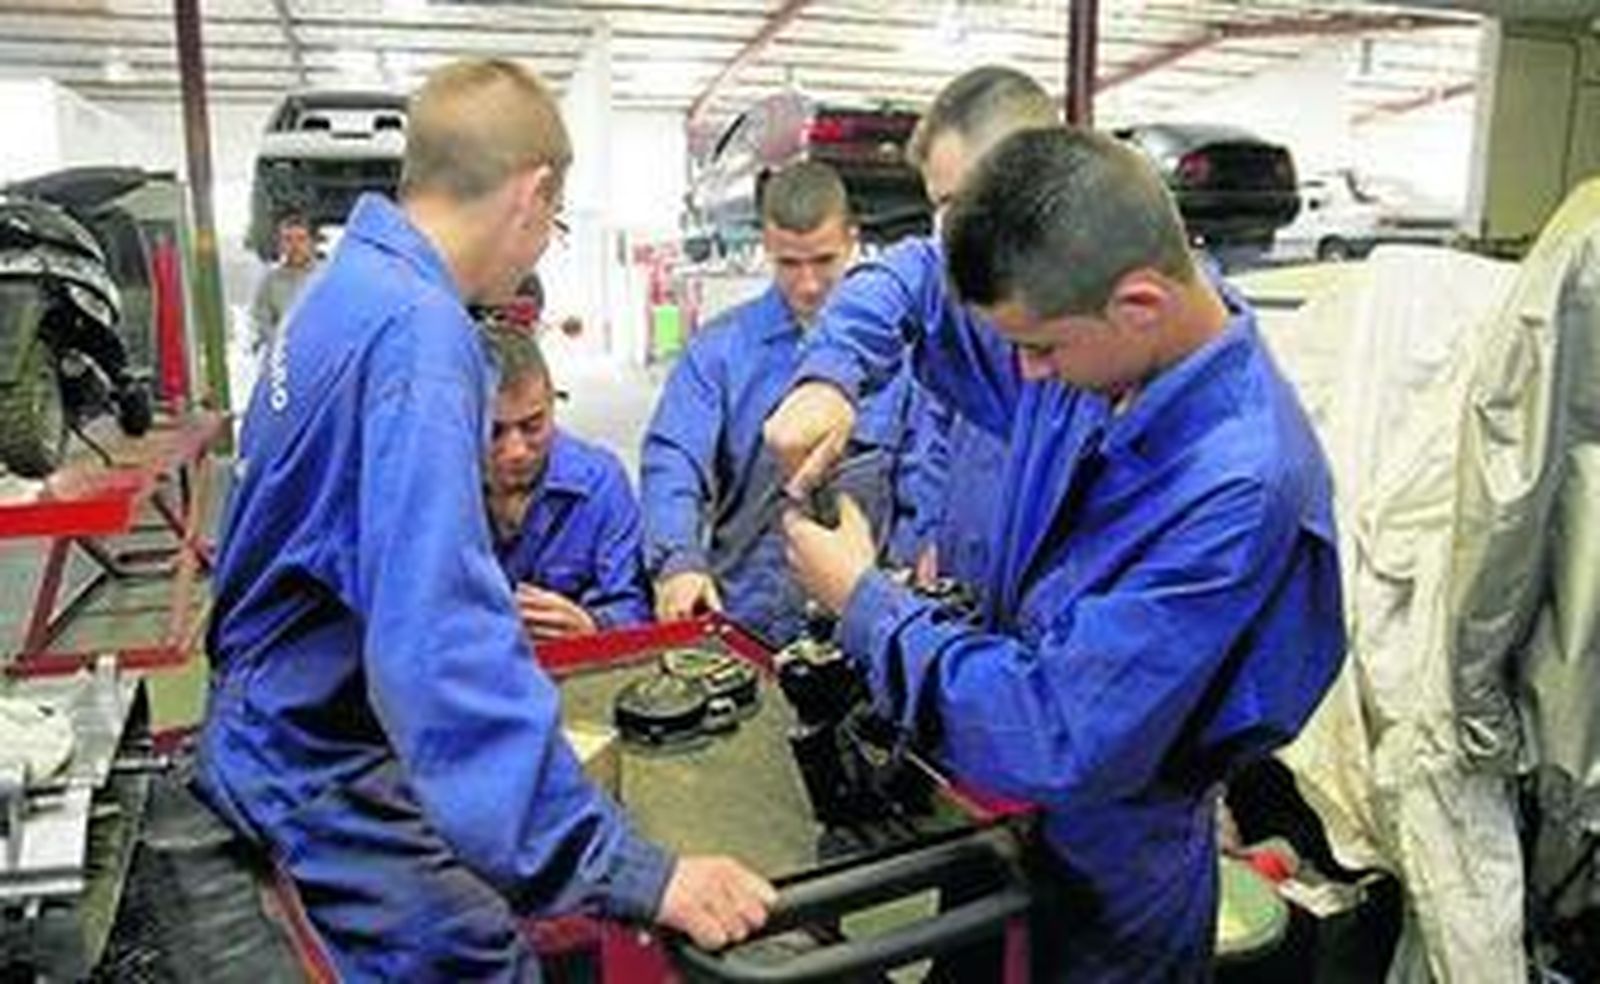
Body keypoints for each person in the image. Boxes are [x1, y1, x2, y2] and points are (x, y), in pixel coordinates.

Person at [196, 59, 773, 981]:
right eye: (555, 221)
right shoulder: (421, 338)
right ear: (535, 194)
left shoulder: (338, 294)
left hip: (272, 720)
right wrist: (626, 867)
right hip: (314, 760)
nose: (542, 245)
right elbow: (435, 640)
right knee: (481, 957)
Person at [769, 125, 1345, 980]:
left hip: (1110, 869)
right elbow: (922, 278)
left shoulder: (1236, 487)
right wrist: (830, 375)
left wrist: (866, 601)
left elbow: (1060, 733)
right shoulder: (1103, 330)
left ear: (1140, 304)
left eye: (1039, 349)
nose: (1023, 376)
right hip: (988, 800)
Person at [639, 160, 917, 645]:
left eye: (824, 260)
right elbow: (674, 458)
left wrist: (918, 560)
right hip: (745, 621)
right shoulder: (719, 351)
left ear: (852, 241)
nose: (808, 284)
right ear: (766, 247)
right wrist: (677, 561)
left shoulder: (903, 361)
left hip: (862, 627)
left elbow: (924, 476)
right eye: (789, 264)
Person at [481, 322, 651, 638]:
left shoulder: (601, 485)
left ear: (553, 403)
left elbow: (635, 608)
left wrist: (594, 625)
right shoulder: (435, 491)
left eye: (532, 425)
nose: (516, 451)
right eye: (494, 432)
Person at [249, 210, 318, 355]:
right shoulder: (270, 281)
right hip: (282, 358)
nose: (295, 246)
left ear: (311, 243)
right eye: (288, 239)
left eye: (301, 239)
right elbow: (261, 321)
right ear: (280, 244)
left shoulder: (324, 277)